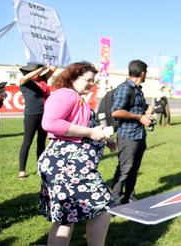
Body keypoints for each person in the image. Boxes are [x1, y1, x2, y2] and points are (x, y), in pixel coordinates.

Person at [38, 61, 115, 246]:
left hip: (67, 164)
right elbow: (50, 123)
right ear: (73, 77)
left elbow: (77, 127)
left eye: (93, 81)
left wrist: (103, 137)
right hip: (67, 164)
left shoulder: (76, 97)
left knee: (66, 218)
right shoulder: (65, 94)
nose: (91, 84)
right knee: (103, 206)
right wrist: (90, 132)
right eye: (88, 80)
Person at [111, 60, 154, 206]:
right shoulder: (125, 88)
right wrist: (139, 117)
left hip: (139, 135)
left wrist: (147, 108)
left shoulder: (137, 89)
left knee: (134, 169)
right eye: (146, 72)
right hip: (128, 136)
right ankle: (115, 201)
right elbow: (116, 111)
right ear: (142, 73)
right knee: (124, 170)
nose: (146, 75)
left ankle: (129, 197)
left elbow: (134, 106)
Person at [18, 63, 56, 179]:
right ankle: (21, 171)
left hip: (44, 115)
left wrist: (51, 58)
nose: (39, 73)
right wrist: (40, 69)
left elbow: (53, 69)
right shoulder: (25, 82)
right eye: (36, 71)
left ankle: (41, 167)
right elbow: (25, 78)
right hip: (31, 115)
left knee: (41, 143)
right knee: (27, 142)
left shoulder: (42, 80)